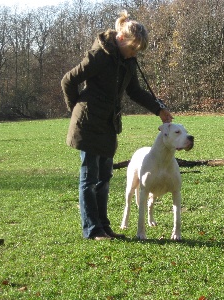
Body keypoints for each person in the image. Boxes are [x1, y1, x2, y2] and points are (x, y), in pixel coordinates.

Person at [61, 10, 173, 241]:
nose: (134, 54)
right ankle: (92, 230)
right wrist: (76, 111)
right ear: (121, 39)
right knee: (89, 179)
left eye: (137, 51)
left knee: (104, 178)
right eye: (132, 48)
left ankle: (104, 227)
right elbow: (68, 80)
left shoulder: (128, 62)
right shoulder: (98, 56)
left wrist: (158, 109)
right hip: (89, 123)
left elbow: (134, 91)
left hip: (109, 124)